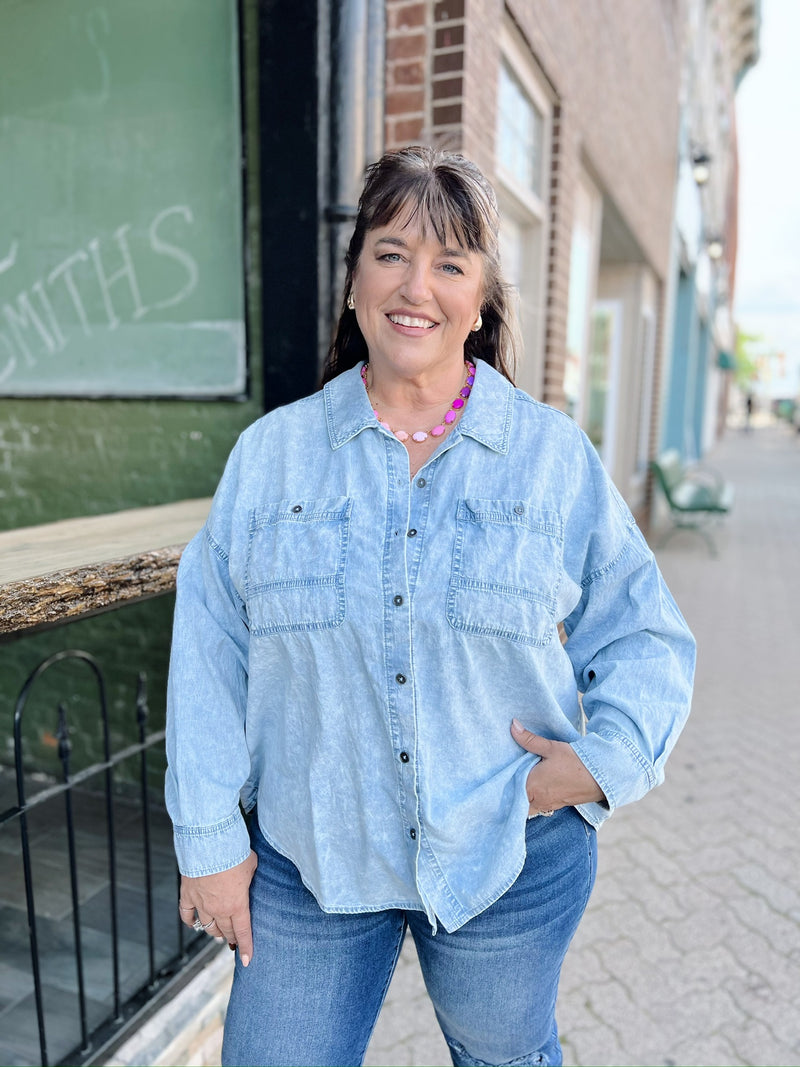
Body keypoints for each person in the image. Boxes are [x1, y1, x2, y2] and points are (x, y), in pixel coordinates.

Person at [165, 145, 695, 1067]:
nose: (418, 286)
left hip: (506, 855)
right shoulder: (271, 458)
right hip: (311, 859)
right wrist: (209, 840)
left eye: (451, 263)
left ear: (482, 299)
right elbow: (212, 654)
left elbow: (646, 630)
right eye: (391, 252)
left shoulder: (550, 458)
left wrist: (600, 763)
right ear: (354, 281)